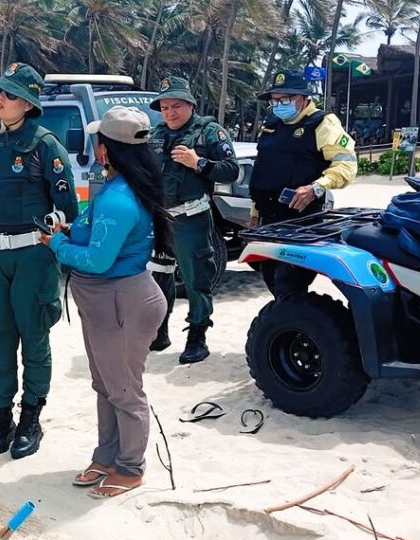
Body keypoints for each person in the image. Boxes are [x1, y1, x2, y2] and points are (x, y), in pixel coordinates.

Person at [42, 106, 169, 498]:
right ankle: (108, 455)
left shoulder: (118, 199)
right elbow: (96, 238)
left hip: (120, 302)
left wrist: (58, 243)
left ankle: (130, 467)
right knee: (105, 384)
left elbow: (98, 259)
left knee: (125, 390)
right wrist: (70, 230)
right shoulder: (118, 189)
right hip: (107, 303)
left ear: (105, 151)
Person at [0, 62, 79, 460]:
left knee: (34, 336)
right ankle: (1, 420)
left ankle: (31, 418)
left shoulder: (46, 145)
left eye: (10, 94)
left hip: (33, 255)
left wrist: (57, 241)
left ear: (29, 103)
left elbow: (69, 209)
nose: (0, 99)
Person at [148, 76, 239, 363]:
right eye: (164, 107)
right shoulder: (156, 133)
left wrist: (198, 163)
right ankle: (158, 332)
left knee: (196, 281)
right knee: (158, 277)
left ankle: (197, 338)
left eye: (175, 105)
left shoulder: (209, 132)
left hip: (192, 219)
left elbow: (232, 170)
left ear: (190, 104)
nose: (170, 112)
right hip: (161, 220)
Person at [248, 71, 357, 299]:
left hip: (300, 220)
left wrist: (316, 187)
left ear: (304, 98)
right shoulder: (272, 125)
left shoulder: (322, 123)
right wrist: (255, 211)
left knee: (288, 284)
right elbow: (263, 171)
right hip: (268, 220)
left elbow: (346, 165)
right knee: (270, 277)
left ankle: (292, 328)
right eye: (275, 100)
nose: (279, 105)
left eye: (285, 100)